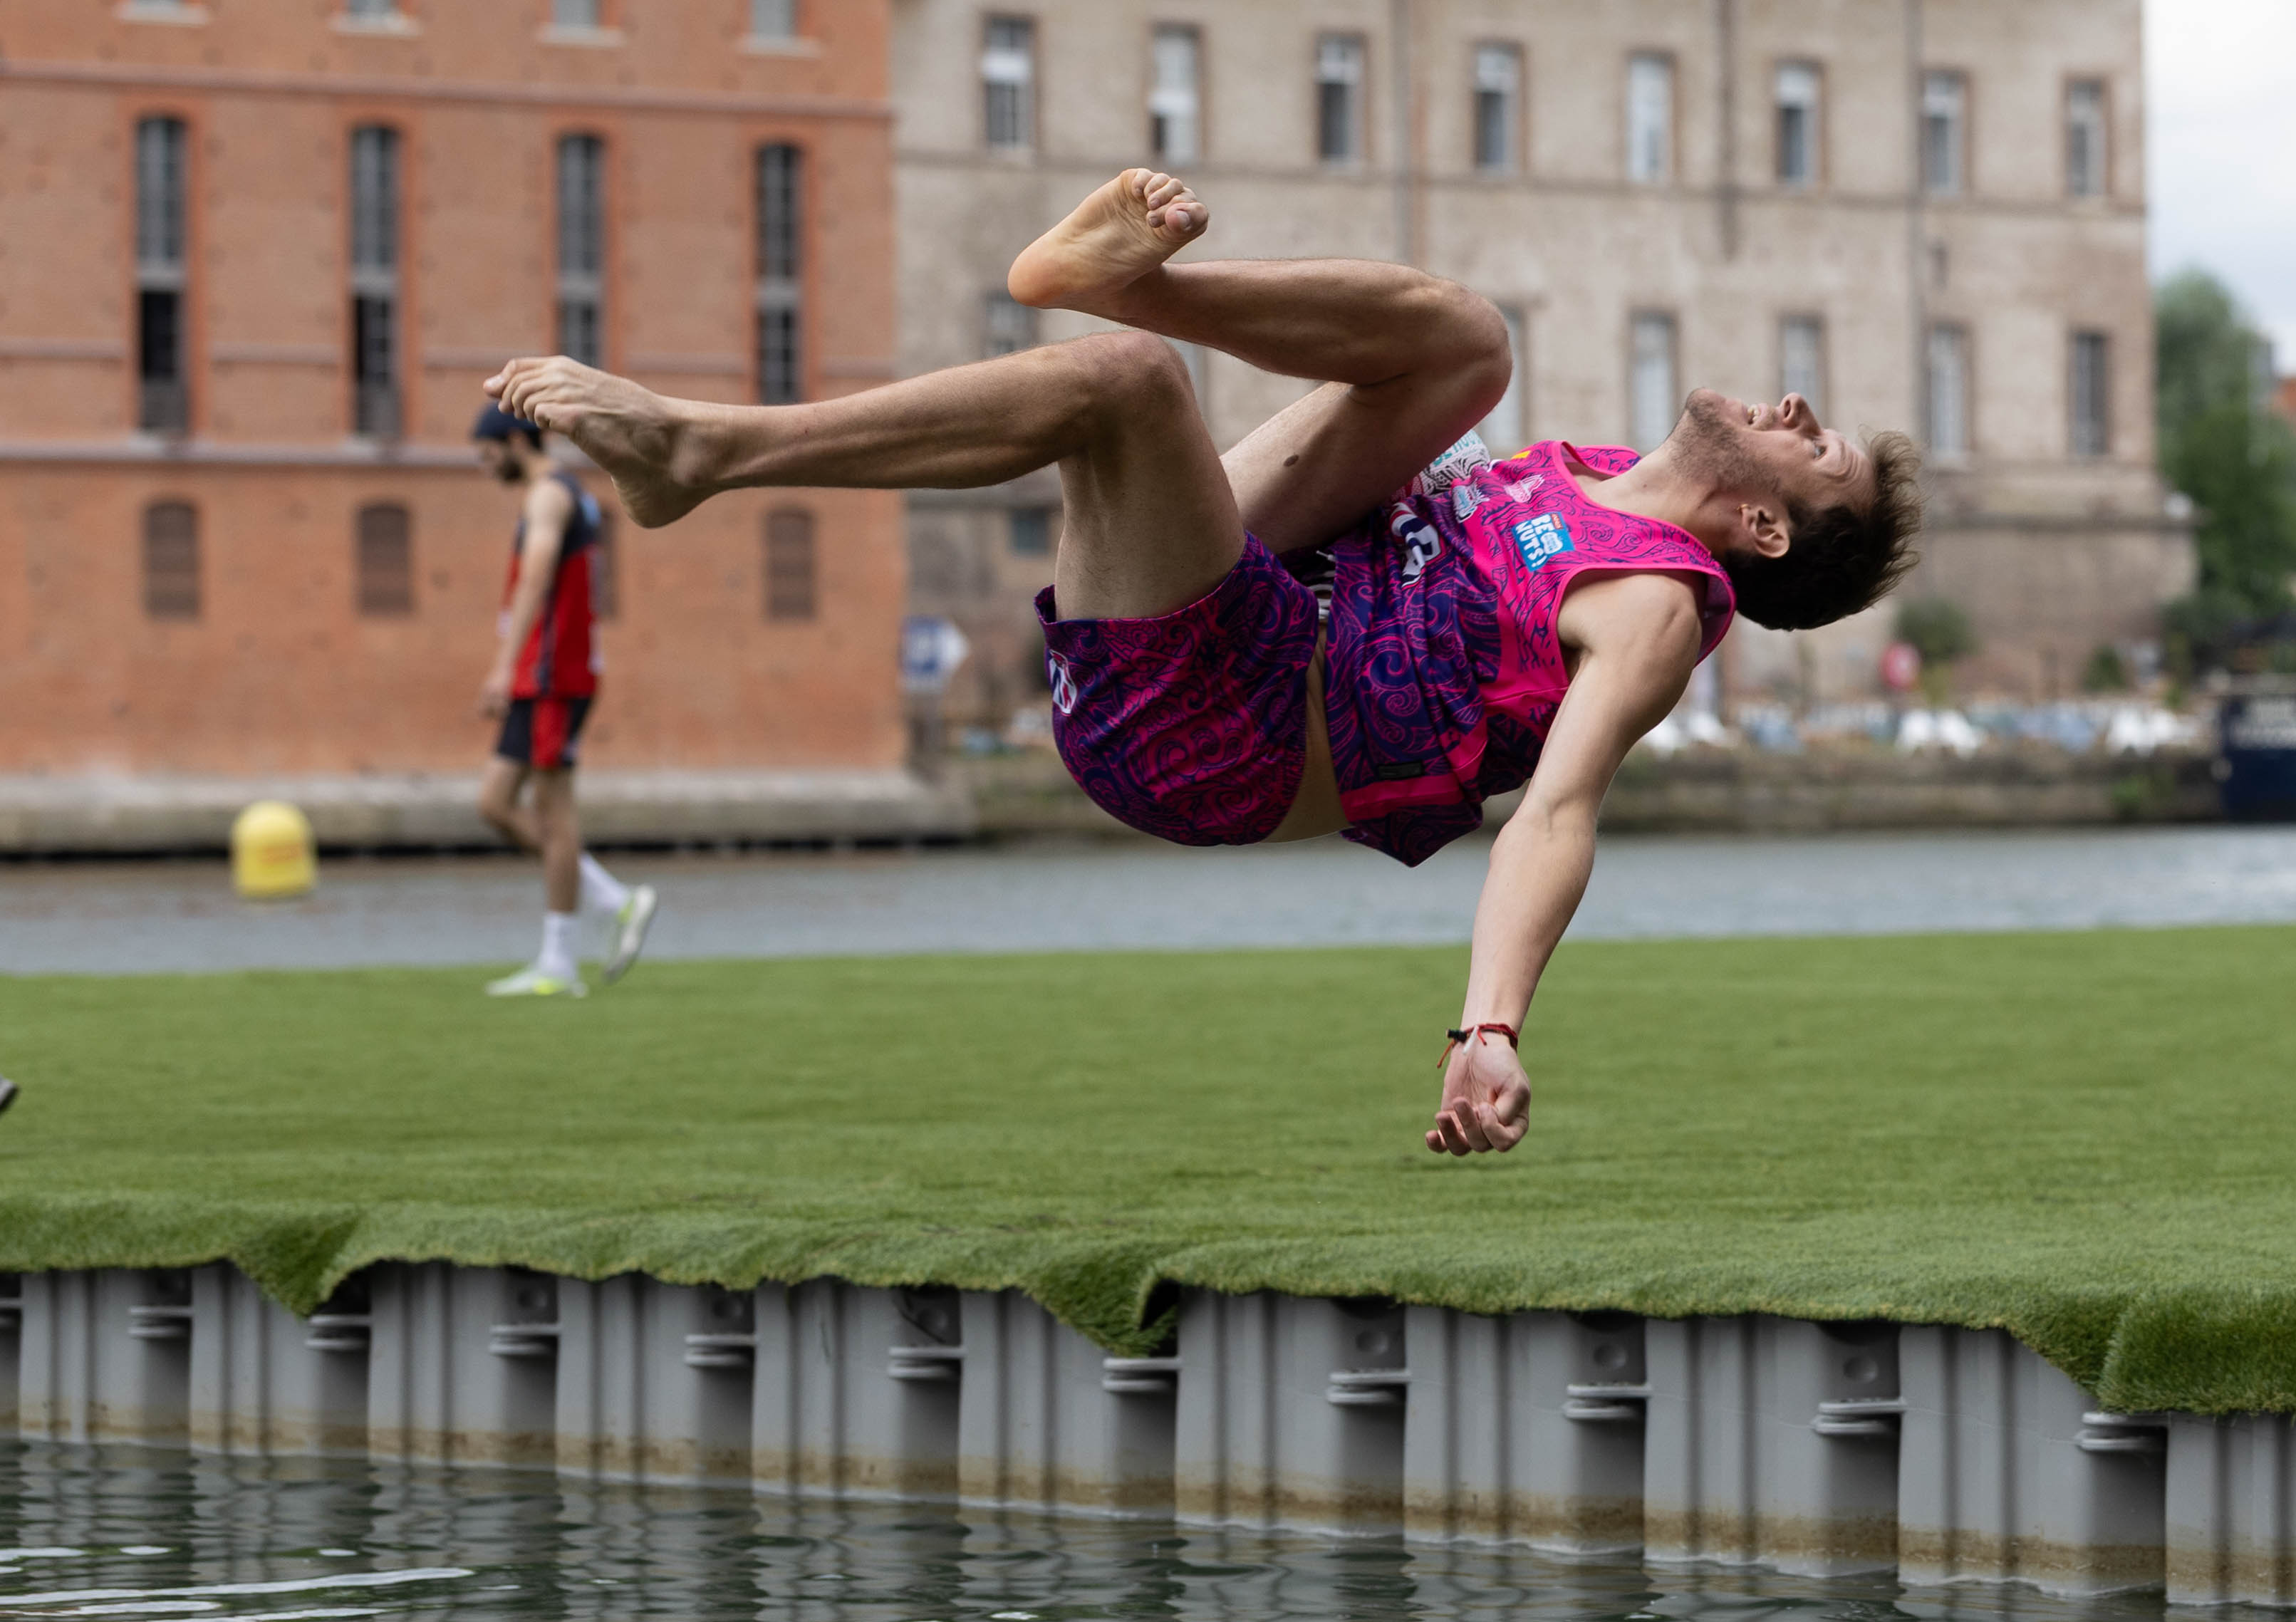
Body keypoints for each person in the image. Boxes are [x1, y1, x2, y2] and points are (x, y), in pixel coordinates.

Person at [484, 169, 1919, 1155]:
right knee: (1466, 346)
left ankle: (707, 449)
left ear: (1763, 527)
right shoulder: (1588, 469)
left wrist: (1489, 1023)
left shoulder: (1657, 601)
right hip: (1254, 604)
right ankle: (1121, 283)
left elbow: (1555, 812)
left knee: (1124, 387)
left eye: (1821, 449)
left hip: (1230, 731)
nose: (1800, 406)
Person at [470, 402, 659, 999]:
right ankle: (611, 898)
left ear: (514, 441)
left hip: (552, 675)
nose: (485, 467)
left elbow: (536, 577)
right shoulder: (560, 494)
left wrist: (505, 664)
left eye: (487, 454)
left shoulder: (550, 495)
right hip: (543, 675)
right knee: (495, 803)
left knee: (554, 818)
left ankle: (559, 961)